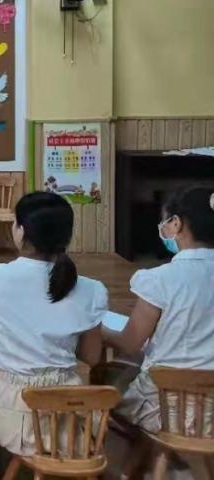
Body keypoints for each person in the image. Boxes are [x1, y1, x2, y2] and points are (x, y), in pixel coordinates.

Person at [0, 191, 107, 472]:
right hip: (65, 413)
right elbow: (91, 356)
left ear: (21, 231)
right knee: (2, 394)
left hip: (12, 413)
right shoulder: (91, 289)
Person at [99, 186, 214, 440]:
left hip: (167, 410)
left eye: (165, 221)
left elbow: (130, 343)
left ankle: (151, 455)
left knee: (110, 382)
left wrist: (101, 331)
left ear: (176, 223)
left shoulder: (160, 279)